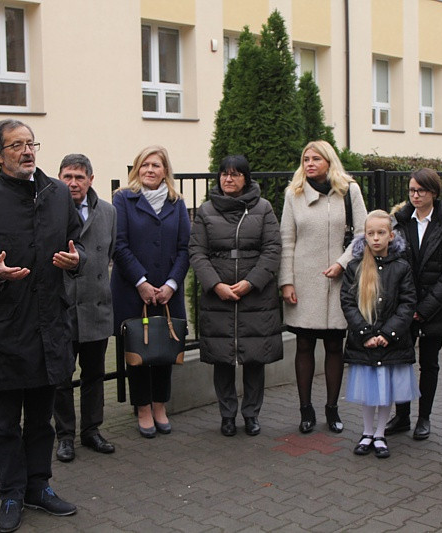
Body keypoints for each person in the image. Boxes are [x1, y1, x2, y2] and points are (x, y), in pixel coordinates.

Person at [0, 119, 83, 531]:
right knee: (7, 423)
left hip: (50, 325)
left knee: (42, 420)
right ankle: (11, 494)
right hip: (5, 329)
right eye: (17, 146)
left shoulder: (58, 193)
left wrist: (76, 259)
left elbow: (76, 242)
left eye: (31, 144)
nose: (28, 151)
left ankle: (39, 487)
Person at [189, 155, 283, 437]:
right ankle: (227, 415)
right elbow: (197, 252)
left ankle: (251, 414)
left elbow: (272, 250)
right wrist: (216, 285)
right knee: (223, 358)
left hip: (256, 295)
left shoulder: (263, 208)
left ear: (246, 178)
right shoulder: (206, 211)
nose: (228, 179)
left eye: (235, 174)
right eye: (224, 174)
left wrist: (250, 283)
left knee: (254, 358)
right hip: (218, 296)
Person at [279, 140, 368, 434]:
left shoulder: (349, 190)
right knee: (303, 344)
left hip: (338, 281)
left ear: (329, 161)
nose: (310, 163)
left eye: (316, 158)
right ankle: (306, 410)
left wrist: (342, 263)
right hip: (303, 281)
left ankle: (332, 409)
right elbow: (286, 240)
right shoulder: (293, 194)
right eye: (306, 159)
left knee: (334, 346)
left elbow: (362, 234)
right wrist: (286, 281)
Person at [111, 145, 190, 438]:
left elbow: (185, 248)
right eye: (144, 165)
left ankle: (160, 406)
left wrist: (171, 284)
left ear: (165, 171)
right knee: (138, 352)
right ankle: (143, 408)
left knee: (164, 350)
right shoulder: (123, 199)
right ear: (136, 169)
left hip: (167, 292)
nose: (150, 170)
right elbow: (118, 245)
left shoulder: (177, 202)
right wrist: (141, 282)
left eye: (156, 165)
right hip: (134, 290)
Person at [386, 169, 442, 440]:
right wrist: (406, 305)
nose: (415, 196)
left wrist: (425, 308)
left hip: (434, 308)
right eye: (411, 191)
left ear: (434, 193)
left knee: (429, 363)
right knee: (402, 361)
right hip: (403, 305)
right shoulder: (399, 222)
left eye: (421, 191)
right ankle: (402, 416)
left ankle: (424, 418)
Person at [53, 154, 117, 462]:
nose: (73, 182)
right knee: (62, 377)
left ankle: (92, 430)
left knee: (94, 374)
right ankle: (64, 436)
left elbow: (110, 254)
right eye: (67, 176)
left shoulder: (108, 212)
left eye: (79, 177)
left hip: (95, 307)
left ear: (91, 179)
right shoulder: (49, 211)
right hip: (62, 309)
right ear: (59, 178)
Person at [341, 210, 420, 459]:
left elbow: (407, 304)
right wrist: (365, 333)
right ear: (364, 236)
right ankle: (366, 432)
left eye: (381, 233)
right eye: (371, 233)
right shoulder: (354, 267)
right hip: (364, 342)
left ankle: (380, 434)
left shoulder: (401, 267)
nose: (375, 238)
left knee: (385, 390)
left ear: (391, 235)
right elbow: (348, 302)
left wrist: (388, 334)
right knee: (368, 390)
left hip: (391, 343)